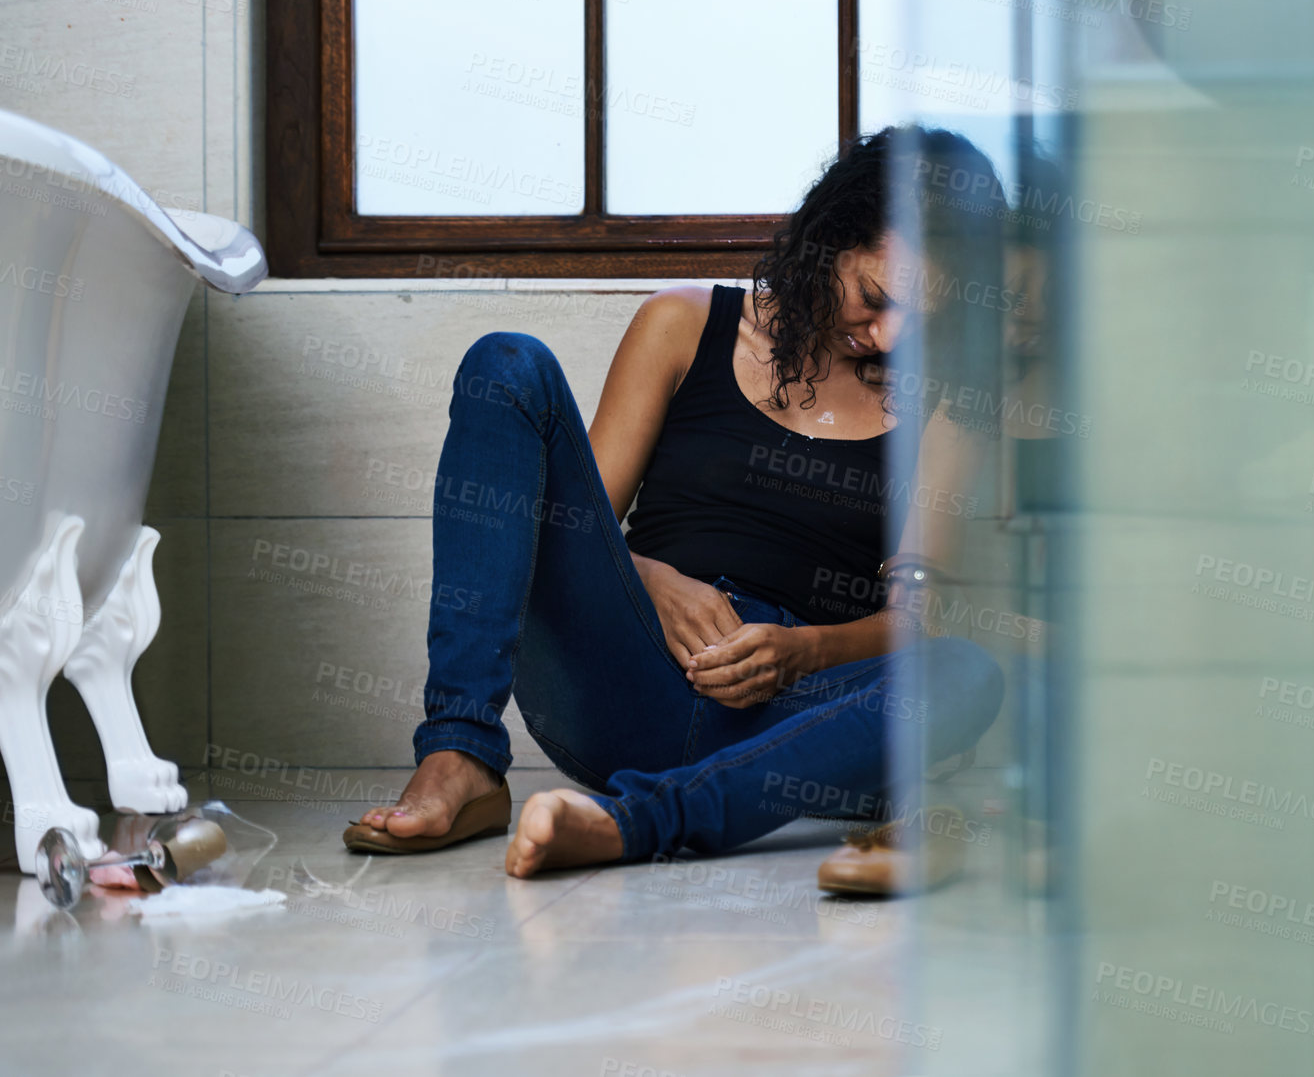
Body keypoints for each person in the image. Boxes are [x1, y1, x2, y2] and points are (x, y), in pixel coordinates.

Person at [344, 126, 1007, 879]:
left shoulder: (946, 401)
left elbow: (916, 623)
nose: (889, 335)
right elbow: (569, 531)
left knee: (965, 670)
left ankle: (636, 821)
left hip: (794, 718)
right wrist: (653, 585)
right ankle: (458, 754)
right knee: (506, 361)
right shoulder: (683, 323)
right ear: (831, 241)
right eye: (876, 298)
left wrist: (805, 651)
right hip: (627, 678)